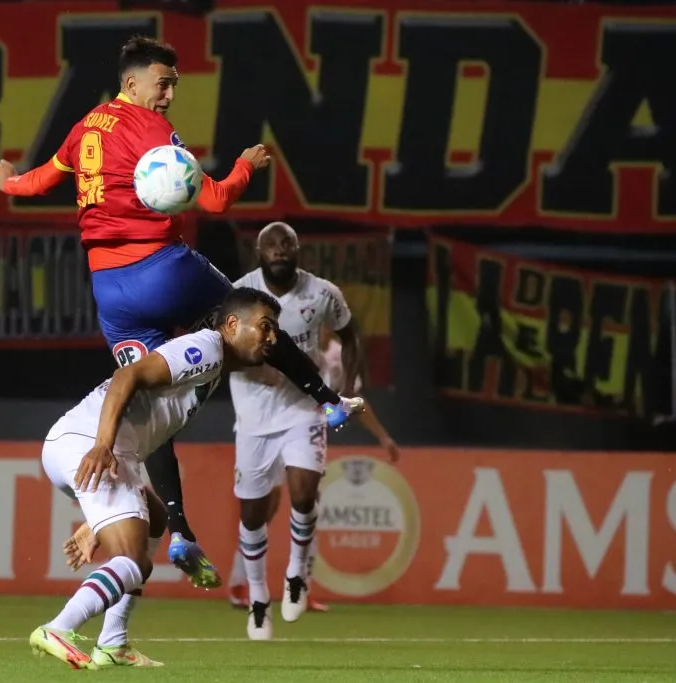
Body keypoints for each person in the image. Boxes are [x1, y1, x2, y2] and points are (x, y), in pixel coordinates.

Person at [0, 36, 361, 590]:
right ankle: (328, 402)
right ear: (133, 81)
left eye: (173, 86)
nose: (168, 95)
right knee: (252, 315)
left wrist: (5, 182)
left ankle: (181, 531)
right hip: (163, 267)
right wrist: (242, 165)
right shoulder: (150, 130)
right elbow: (214, 200)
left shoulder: (84, 128)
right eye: (163, 83)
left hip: (110, 293)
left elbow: (38, 179)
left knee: (148, 407)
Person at [32, 287, 321, 669]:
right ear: (231, 325)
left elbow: (148, 435)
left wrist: (96, 517)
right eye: (265, 327)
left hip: (89, 449)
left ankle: (114, 642)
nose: (272, 338)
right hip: (90, 446)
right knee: (132, 560)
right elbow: (126, 376)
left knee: (154, 520)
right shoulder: (207, 348)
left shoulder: (213, 370)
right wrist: (101, 445)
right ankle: (58, 628)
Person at [224, 222, 369, 639]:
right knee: (252, 515)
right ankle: (256, 598)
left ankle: (296, 574)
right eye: (271, 244)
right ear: (258, 252)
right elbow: (220, 346)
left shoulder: (322, 293)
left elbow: (351, 335)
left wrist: (342, 390)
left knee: (304, 494)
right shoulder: (239, 294)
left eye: (287, 243)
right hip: (252, 415)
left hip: (302, 408)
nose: (280, 250)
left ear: (299, 249)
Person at [227, 322, 401, 613]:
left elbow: (354, 401)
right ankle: (239, 583)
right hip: (266, 431)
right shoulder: (278, 342)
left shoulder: (335, 354)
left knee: (309, 503)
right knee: (264, 509)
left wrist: (383, 437)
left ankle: (301, 588)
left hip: (305, 434)